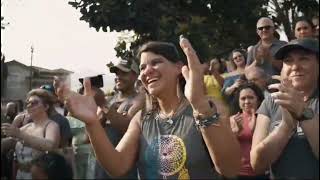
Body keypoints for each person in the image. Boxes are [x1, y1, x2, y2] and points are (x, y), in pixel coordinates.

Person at [59, 38, 241, 179]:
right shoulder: (141, 118)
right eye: (142, 67)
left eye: (155, 63)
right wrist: (92, 123)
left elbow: (230, 169)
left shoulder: (209, 108)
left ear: (179, 68)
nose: (146, 71)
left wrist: (200, 107)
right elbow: (117, 166)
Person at [250, 38, 319, 179]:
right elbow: (257, 164)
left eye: (304, 59)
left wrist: (303, 113)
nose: (295, 66)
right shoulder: (270, 102)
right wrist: (286, 127)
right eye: (288, 61)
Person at [93, 59, 143, 179]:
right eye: (116, 73)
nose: (118, 77)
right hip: (102, 167)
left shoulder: (140, 99)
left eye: (124, 73)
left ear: (135, 75)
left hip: (125, 168)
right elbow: (91, 133)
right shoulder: (109, 99)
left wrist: (104, 105)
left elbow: (127, 127)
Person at [1, 89, 60, 179]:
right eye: (28, 103)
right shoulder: (27, 127)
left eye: (34, 103)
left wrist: (20, 134)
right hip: (20, 175)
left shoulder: (51, 125)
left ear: (46, 107)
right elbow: (12, 141)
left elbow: (50, 145)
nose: (29, 105)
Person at [229, 82, 267, 179]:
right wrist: (235, 133)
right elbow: (226, 149)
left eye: (250, 98)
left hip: (261, 172)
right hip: (238, 173)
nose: (247, 101)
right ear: (238, 101)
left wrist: (255, 130)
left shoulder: (265, 118)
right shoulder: (232, 119)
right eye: (243, 98)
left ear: (258, 100)